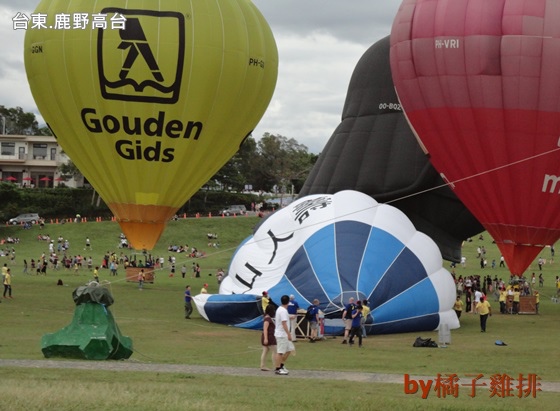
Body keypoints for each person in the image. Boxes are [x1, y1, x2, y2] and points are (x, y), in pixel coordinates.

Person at [274, 295, 295, 375]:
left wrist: (289, 317)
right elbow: (283, 323)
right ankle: (278, 368)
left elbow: (283, 319)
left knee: (289, 349)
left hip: (283, 334)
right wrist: (289, 334)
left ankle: (281, 365)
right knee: (280, 352)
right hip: (282, 334)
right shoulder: (282, 310)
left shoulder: (281, 309)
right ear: (288, 302)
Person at [260, 304, 277, 371]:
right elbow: (265, 329)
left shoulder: (267, 317)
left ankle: (262, 365)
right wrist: (266, 338)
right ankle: (276, 366)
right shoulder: (267, 319)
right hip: (269, 337)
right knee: (275, 351)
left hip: (269, 336)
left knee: (265, 351)